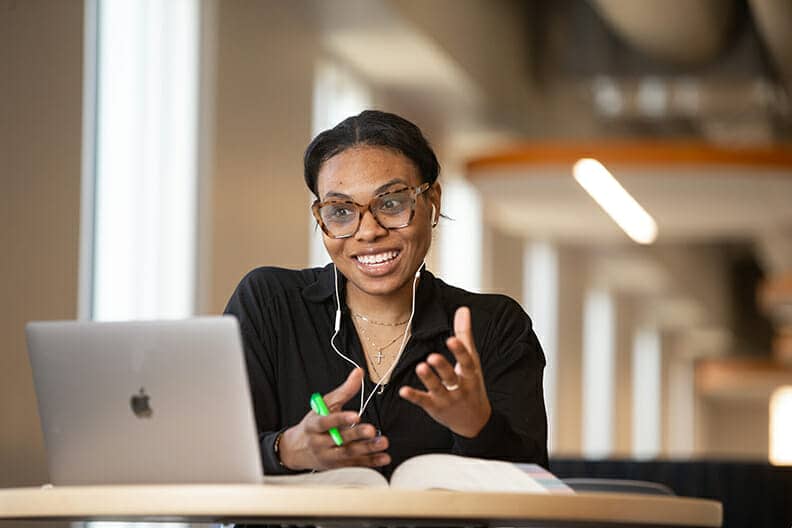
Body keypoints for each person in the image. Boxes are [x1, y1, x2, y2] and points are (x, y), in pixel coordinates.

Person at [224, 110, 548, 477]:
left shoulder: (494, 327)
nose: (368, 232)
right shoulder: (270, 303)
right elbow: (209, 455)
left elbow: (534, 491)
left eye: (392, 203)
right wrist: (288, 449)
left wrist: (478, 426)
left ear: (433, 202)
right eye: (341, 211)